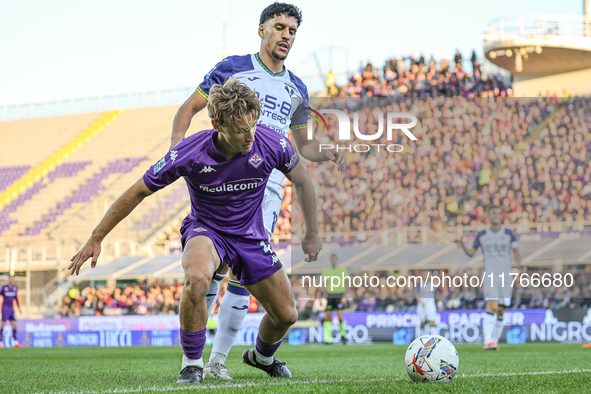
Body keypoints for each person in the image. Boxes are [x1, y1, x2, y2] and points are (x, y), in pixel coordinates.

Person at [68, 78, 322, 384]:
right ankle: (192, 363)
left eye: (252, 125)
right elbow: (138, 191)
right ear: (217, 125)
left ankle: (261, 357)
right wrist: (97, 237)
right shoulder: (190, 151)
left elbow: (304, 181)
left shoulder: (272, 143)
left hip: (250, 236)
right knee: (198, 277)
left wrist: (312, 232)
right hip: (207, 230)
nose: (250, 135)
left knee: (287, 315)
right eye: (241, 130)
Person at [170, 2, 345, 380]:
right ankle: (199, 360)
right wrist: (175, 148)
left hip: (267, 188)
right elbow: (188, 109)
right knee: (211, 272)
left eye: (292, 31)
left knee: (237, 273)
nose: (286, 35)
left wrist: (328, 152)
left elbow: (305, 146)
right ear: (261, 30)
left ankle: (216, 361)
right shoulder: (232, 68)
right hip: (224, 178)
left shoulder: (296, 87)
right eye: (279, 27)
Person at [455, 205, 522, 350]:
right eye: (493, 213)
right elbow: (472, 253)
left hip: (506, 275)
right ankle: (488, 341)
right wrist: (463, 246)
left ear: (501, 215)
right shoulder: (481, 235)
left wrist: (520, 267)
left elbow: (516, 252)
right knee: (492, 306)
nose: (496, 215)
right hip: (490, 274)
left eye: (498, 212)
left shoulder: (510, 234)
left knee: (501, 309)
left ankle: (494, 341)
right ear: (489, 216)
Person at [321, 254, 348, 344]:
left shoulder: (342, 270)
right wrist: (325, 294)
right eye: (332, 259)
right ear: (330, 260)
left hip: (339, 294)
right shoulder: (327, 271)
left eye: (335, 259)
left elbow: (347, 282)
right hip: (330, 295)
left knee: (340, 316)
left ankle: (343, 335)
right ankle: (328, 339)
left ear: (337, 260)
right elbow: (323, 283)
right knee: (328, 316)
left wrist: (345, 295)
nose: (333, 261)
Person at [0, 275, 24, 348]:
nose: (11, 280)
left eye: (12, 279)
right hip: (5, 308)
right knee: (3, 325)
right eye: (10, 279)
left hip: (11, 309)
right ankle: (0, 342)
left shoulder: (15, 288)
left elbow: (16, 298)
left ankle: (15, 342)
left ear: (13, 280)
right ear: (8, 280)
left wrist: (19, 308)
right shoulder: (4, 288)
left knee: (14, 325)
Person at [416, 270, 437, 336]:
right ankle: (421, 335)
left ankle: (432, 334)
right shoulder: (420, 283)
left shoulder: (432, 283)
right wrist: (421, 302)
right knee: (422, 321)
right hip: (422, 305)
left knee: (431, 320)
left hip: (430, 305)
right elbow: (416, 294)